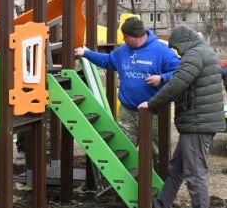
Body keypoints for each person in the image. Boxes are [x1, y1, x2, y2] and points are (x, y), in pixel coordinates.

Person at [138, 25, 225, 208]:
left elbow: (177, 83)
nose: (178, 53)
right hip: (197, 121)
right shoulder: (203, 50)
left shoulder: (194, 55)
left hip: (198, 122)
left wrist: (151, 104)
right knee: (176, 169)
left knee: (195, 173)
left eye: (178, 48)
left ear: (184, 43)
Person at [74, 17, 178, 161]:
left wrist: (162, 78)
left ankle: (159, 181)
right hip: (128, 110)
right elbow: (106, 60)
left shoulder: (162, 52)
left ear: (136, 37)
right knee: (124, 148)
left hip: (154, 111)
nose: (123, 39)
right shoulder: (123, 51)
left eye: (126, 36)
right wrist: (86, 53)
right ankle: (129, 180)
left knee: (156, 150)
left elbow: (180, 72)